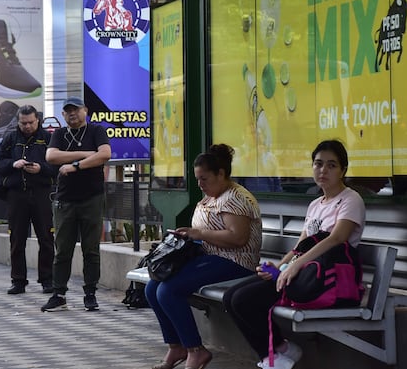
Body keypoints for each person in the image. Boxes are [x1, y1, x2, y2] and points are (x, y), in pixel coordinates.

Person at [223, 139, 366, 369]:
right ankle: (280, 350)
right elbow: (301, 244)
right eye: (318, 164)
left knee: (244, 300)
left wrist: (295, 267)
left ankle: (273, 356)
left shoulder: (351, 200)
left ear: (343, 170)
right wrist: (280, 266)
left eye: (331, 165)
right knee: (230, 296)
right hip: (304, 273)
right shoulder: (316, 204)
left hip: (327, 278)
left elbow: (336, 239)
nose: (323, 170)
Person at [146, 144, 262, 369]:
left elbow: (238, 238)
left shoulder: (235, 198)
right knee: (153, 287)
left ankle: (195, 350)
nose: (200, 184)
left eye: (204, 179)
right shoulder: (210, 197)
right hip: (210, 257)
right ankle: (176, 346)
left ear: (221, 174)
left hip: (236, 261)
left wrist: (198, 233)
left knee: (169, 290)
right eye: (198, 179)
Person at [41, 97, 111, 312]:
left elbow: (105, 154)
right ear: (63, 115)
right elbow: (51, 156)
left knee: (91, 249)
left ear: (85, 110)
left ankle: (90, 293)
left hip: (92, 197)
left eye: (76, 109)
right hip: (65, 199)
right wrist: (86, 154)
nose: (72, 114)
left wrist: (76, 166)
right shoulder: (60, 134)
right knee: (62, 249)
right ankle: (59, 293)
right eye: (68, 111)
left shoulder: (96, 130)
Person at [0, 105, 58, 295]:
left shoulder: (48, 138)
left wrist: (41, 168)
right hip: (16, 195)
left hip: (41, 193)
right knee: (17, 239)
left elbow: (57, 166)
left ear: (37, 120)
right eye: (23, 123)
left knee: (46, 238)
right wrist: (14, 164)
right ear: (18, 122)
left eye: (30, 122)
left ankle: (47, 279)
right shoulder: (11, 138)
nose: (27, 126)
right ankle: (18, 280)